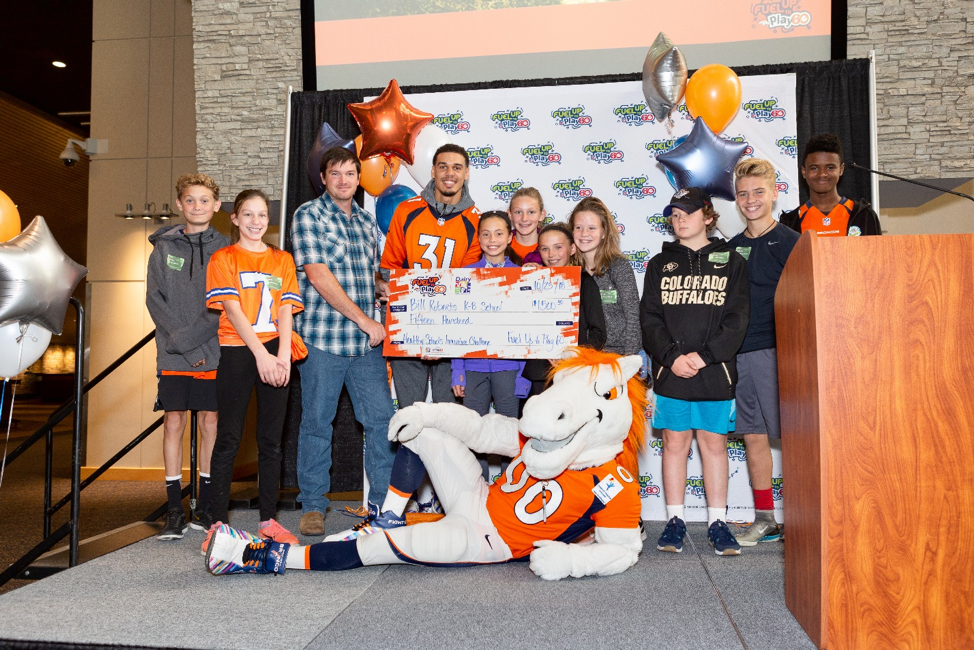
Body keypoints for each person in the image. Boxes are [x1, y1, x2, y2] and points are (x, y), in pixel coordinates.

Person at [290, 146, 398, 536]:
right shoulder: (308, 215)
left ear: (358, 178)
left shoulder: (368, 223)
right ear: (323, 178)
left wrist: (390, 291)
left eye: (350, 173)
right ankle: (314, 505)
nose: (343, 180)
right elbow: (318, 276)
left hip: (366, 346)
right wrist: (367, 319)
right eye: (335, 173)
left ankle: (384, 504)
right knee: (318, 423)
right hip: (323, 339)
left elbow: (372, 277)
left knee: (382, 422)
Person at [640, 187, 750, 556]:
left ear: (707, 216)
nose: (679, 219)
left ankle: (718, 522)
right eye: (673, 213)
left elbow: (737, 320)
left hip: (714, 371)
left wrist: (703, 357)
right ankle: (675, 520)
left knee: (713, 446)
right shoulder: (658, 264)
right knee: (674, 444)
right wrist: (672, 357)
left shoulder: (732, 261)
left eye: (686, 212)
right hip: (672, 372)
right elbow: (650, 318)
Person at [203, 189, 304, 550]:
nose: (255, 222)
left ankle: (268, 521)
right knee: (228, 439)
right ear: (234, 218)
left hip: (275, 352)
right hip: (238, 352)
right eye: (248, 214)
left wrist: (283, 356)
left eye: (262, 215)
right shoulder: (223, 258)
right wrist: (261, 354)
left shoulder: (282, 260)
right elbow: (232, 310)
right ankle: (216, 523)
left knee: (271, 443)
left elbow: (285, 312)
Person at [146, 173, 229, 541]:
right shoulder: (162, 249)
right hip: (174, 353)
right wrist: (185, 346)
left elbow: (222, 305)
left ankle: (206, 506)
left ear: (217, 206)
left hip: (212, 352)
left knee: (210, 423)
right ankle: (175, 510)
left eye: (204, 200)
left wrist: (196, 346)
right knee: (173, 424)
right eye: (190, 200)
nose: (197, 206)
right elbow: (154, 301)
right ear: (180, 204)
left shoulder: (226, 248)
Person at [727, 160, 799, 545]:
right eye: (743, 194)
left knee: (795, 437)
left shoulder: (792, 242)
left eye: (758, 192)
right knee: (753, 435)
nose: (751, 200)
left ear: (774, 193)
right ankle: (765, 518)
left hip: (780, 353)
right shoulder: (730, 249)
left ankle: (807, 520)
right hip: (739, 355)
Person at [380, 143, 481, 408]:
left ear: (467, 173)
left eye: (457, 167)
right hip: (410, 325)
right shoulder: (406, 210)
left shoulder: (477, 222)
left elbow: (469, 285)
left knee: (449, 420)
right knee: (410, 416)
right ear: (433, 171)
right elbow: (390, 270)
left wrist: (440, 332)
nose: (450, 173)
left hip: (451, 331)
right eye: (443, 166)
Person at [451, 211, 529, 419]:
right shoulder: (463, 276)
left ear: (510, 237)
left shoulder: (522, 276)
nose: (492, 240)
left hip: (509, 368)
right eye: (486, 234)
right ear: (478, 238)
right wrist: (458, 371)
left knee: (509, 431)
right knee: (472, 432)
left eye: (498, 234)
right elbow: (458, 326)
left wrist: (522, 375)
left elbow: (526, 329)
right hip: (472, 367)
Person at [522, 222, 606, 400]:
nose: (551, 254)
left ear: (573, 249)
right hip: (538, 375)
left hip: (574, 373)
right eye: (544, 249)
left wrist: (573, 357)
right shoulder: (531, 281)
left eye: (558, 247)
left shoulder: (585, 282)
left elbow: (599, 333)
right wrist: (521, 281)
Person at [569, 197, 640, 356]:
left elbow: (633, 317)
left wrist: (628, 361)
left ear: (604, 232)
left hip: (617, 355)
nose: (584, 234)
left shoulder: (618, 266)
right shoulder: (569, 272)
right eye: (579, 227)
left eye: (592, 228)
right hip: (578, 356)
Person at [780, 133, 882, 237]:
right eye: (814, 168)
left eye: (830, 167)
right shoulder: (790, 223)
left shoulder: (864, 216)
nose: (822, 174)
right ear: (804, 172)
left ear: (841, 169)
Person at [507, 187, 545, 265]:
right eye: (518, 212)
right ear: (510, 214)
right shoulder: (500, 245)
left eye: (531, 212)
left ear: (541, 215)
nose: (524, 218)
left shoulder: (551, 247)